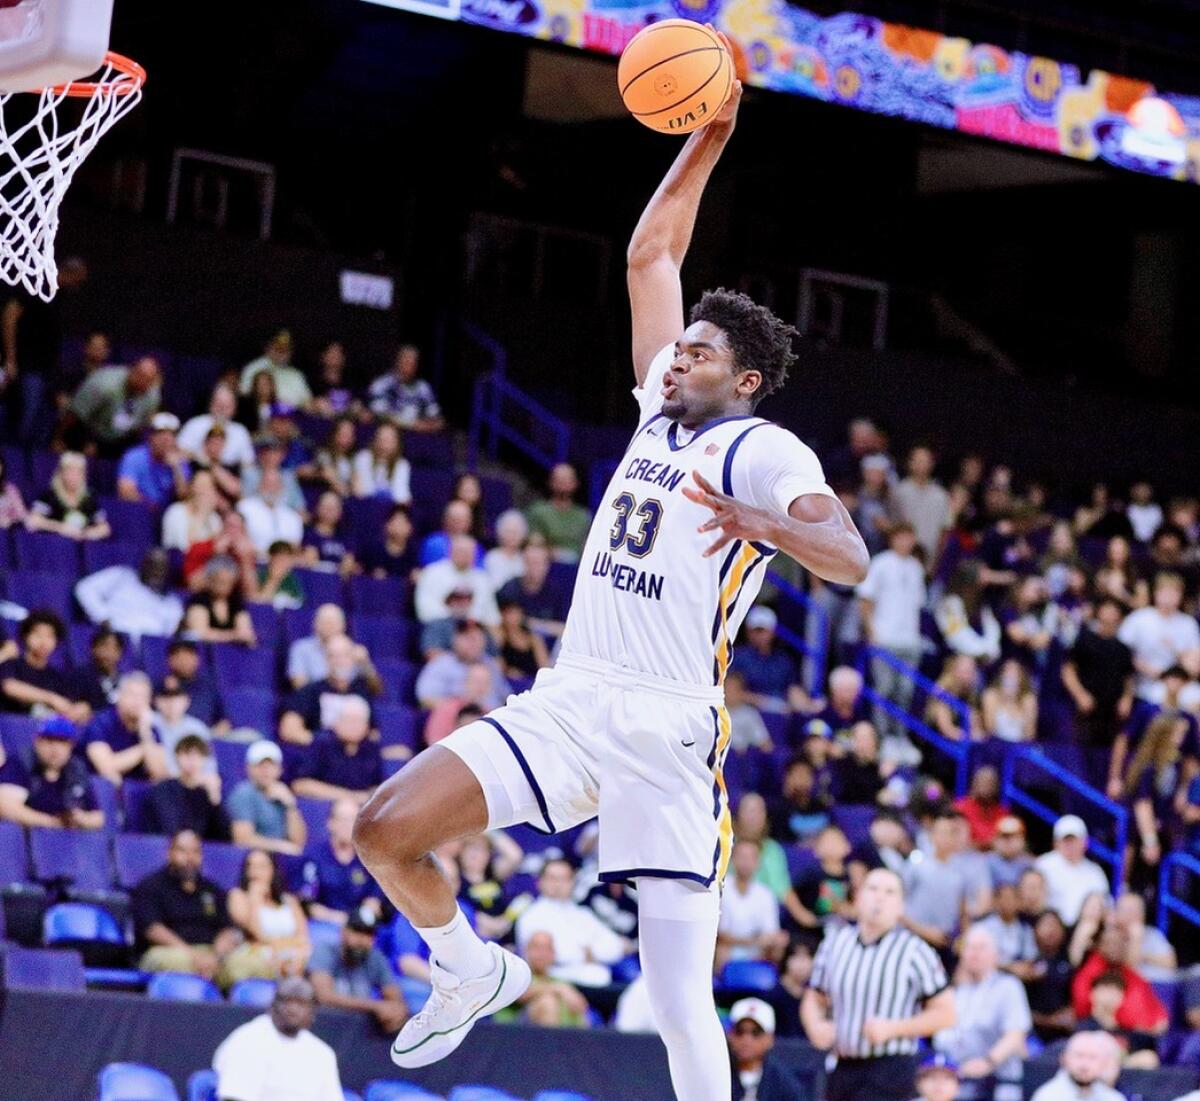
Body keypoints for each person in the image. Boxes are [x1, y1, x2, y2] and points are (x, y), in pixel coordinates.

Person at [353, 81, 871, 1101]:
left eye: (703, 352)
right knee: (381, 828)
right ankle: (466, 967)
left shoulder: (761, 448)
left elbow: (847, 554)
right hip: (575, 695)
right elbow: (651, 257)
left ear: (747, 380)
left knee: (678, 1001)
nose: (680, 355)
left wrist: (767, 526)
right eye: (682, 346)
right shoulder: (656, 416)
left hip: (670, 730)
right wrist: (707, 138)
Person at [801, 868, 956, 1101]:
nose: (879, 897)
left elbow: (946, 1014)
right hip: (842, 1065)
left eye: (890, 892)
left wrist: (894, 1028)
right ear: (859, 898)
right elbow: (814, 997)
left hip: (891, 1068)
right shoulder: (835, 943)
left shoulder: (915, 951)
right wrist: (815, 1025)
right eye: (872, 889)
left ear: (901, 907)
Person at [932, 925, 1031, 1101]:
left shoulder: (1008, 986)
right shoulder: (957, 991)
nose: (974, 954)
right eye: (969, 948)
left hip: (999, 1082)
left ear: (995, 955)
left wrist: (988, 1062)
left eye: (981, 948)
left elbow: (1015, 1034)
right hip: (959, 1081)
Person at [132, 828, 240, 982]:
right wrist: (193, 955)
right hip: (169, 951)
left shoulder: (212, 889)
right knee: (175, 962)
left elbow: (227, 929)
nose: (190, 858)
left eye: (195, 852)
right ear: (169, 853)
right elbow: (153, 929)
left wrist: (215, 956)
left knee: (246, 964)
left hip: (210, 954)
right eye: (183, 851)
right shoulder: (151, 886)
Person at [212, 977, 344, 1101]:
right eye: (286, 1001)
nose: (293, 1009)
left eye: (301, 1004)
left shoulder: (322, 1053)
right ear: (272, 1006)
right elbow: (233, 1098)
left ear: (312, 1013)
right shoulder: (248, 1041)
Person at [857, 521, 926, 744]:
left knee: (905, 691)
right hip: (885, 637)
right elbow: (866, 599)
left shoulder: (916, 567)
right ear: (892, 538)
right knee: (884, 690)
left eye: (909, 537)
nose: (905, 542)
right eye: (901, 536)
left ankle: (899, 735)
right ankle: (882, 736)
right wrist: (871, 632)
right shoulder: (880, 563)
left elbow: (919, 604)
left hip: (909, 640)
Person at [514, 858, 630, 988]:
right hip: (553, 981)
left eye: (564, 879)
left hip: (593, 979)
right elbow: (555, 957)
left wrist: (591, 953)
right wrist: (586, 953)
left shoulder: (582, 914)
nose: (558, 884)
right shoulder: (531, 915)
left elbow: (615, 946)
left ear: (572, 882)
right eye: (552, 878)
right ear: (540, 882)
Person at [308, 905, 408, 1033]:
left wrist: (396, 1012)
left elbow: (396, 999)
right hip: (324, 1026)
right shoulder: (325, 951)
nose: (362, 939)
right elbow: (324, 996)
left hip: (357, 1034)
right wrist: (376, 1006)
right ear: (343, 931)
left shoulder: (375, 958)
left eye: (368, 934)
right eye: (357, 931)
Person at [0, 715, 103, 829]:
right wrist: (52, 823)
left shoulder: (76, 770)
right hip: (25, 839)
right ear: (37, 741)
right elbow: (6, 807)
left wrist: (82, 819)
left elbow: (98, 818)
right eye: (49, 740)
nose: (55, 748)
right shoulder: (21, 763)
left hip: (68, 842)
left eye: (62, 742)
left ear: (71, 746)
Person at [226, 848, 312, 980]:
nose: (255, 872)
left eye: (261, 866)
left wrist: (286, 948)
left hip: (292, 953)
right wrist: (255, 898)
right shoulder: (238, 896)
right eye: (250, 866)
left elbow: (303, 936)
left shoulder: (289, 900)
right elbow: (255, 932)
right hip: (258, 955)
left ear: (273, 870)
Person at [1070, 923, 1168, 1036]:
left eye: (1119, 943)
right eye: (1109, 943)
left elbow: (1158, 1013)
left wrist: (1156, 1022)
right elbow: (1083, 1008)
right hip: (1099, 1032)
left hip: (1137, 1035)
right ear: (1099, 946)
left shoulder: (1131, 974)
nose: (1114, 947)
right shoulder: (1089, 973)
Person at [279, 635, 379, 745]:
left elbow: (374, 733)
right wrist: (321, 745)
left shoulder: (362, 692)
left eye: (345, 655)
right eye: (333, 656)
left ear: (353, 659)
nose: (340, 661)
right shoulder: (311, 691)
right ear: (325, 660)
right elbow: (289, 730)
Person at [302, 798, 384, 925]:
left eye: (353, 820)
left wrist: (367, 910)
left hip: (361, 926)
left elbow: (374, 900)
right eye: (343, 819)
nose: (347, 825)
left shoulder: (369, 857)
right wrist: (341, 919)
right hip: (325, 923)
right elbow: (308, 903)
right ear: (330, 823)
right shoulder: (314, 856)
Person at [1118, 572, 1200, 697]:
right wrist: (1147, 669)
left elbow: (1194, 664)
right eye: (1165, 592)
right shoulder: (1139, 618)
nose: (1169, 597)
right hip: (1144, 684)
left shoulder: (1188, 623)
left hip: (1180, 684)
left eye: (1175, 593)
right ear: (1155, 593)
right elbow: (1120, 652)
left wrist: (1176, 653)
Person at [291, 695, 383, 804]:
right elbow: (300, 785)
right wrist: (350, 797)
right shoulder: (320, 744)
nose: (353, 726)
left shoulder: (371, 749)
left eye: (358, 721)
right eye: (349, 720)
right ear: (336, 722)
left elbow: (380, 787)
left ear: (367, 727)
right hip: (324, 810)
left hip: (360, 813)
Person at [74, 547, 184, 638]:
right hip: (116, 640)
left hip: (150, 653)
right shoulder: (121, 576)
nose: (156, 572)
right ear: (143, 564)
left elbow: (169, 634)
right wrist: (102, 617)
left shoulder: (172, 602)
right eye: (153, 566)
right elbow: (84, 588)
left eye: (161, 569)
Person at [0, 610, 89, 722]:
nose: (43, 641)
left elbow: (68, 704)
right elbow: (10, 687)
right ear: (26, 636)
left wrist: (80, 709)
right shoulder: (12, 664)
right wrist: (50, 698)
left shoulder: (56, 677)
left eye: (49, 636)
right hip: (9, 727)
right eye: (38, 634)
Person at [82, 673, 168, 786]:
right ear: (119, 696)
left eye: (143, 697)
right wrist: (143, 749)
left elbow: (160, 774)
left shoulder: (148, 727)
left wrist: (145, 734)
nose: (138, 701)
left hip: (137, 789)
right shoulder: (101, 722)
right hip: (100, 788)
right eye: (132, 695)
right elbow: (106, 768)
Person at [65, 355, 161, 455]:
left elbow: (145, 425)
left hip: (122, 437)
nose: (143, 383)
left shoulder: (153, 395)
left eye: (148, 381)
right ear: (132, 372)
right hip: (90, 429)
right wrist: (58, 439)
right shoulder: (104, 384)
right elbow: (75, 413)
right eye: (141, 377)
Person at [903, 810, 971, 950]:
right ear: (932, 836)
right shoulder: (917, 864)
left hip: (944, 941)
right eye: (942, 832)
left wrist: (965, 938)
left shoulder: (961, 870)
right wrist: (922, 930)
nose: (946, 837)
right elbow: (898, 903)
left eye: (951, 833)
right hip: (912, 936)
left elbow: (963, 912)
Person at [226, 740, 307, 855]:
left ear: (279, 769)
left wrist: (290, 806)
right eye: (260, 765)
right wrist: (281, 847)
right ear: (249, 768)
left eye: (271, 765)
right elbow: (243, 839)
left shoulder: (283, 793)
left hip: (279, 859)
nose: (266, 771)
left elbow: (299, 842)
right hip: (254, 858)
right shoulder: (244, 794)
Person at [716, 839, 787, 970]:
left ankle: (770, 987)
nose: (746, 863)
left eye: (751, 858)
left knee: (778, 945)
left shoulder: (765, 894)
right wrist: (753, 941)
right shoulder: (720, 889)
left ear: (758, 862)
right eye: (742, 857)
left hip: (756, 951)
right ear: (732, 859)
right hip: (727, 949)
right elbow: (720, 935)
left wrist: (765, 941)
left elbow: (770, 934)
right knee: (721, 950)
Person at [145, 735, 228, 840]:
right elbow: (170, 827)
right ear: (177, 757)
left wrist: (215, 799)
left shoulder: (207, 792)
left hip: (201, 851)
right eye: (187, 754)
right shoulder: (164, 789)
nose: (192, 761)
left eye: (198, 756)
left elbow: (224, 837)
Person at [728, 997, 812, 1101]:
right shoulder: (720, 1073)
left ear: (770, 1038)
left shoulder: (783, 1081)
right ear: (730, 1035)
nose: (746, 1040)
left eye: (756, 1033)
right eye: (740, 1031)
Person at [1034, 816, 1111, 927]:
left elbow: (1106, 907)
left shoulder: (1095, 872)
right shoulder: (1043, 864)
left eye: (1074, 840)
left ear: (1085, 842)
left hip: (1082, 929)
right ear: (1056, 843)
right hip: (1048, 924)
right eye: (1066, 840)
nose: (1070, 845)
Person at [414, 620, 508, 710]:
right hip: (458, 720)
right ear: (455, 640)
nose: (472, 643)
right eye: (467, 638)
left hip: (493, 720)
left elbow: (505, 698)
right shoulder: (441, 663)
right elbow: (426, 699)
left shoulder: (491, 664)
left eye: (476, 638)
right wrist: (464, 708)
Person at [730, 605, 805, 714]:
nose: (759, 635)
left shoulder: (782, 659)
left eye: (763, 630)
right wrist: (764, 702)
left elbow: (792, 689)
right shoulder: (738, 656)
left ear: (772, 631)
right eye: (756, 630)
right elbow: (731, 692)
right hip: (749, 712)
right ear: (748, 631)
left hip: (781, 713)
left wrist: (807, 705)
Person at [1075, 972, 1160, 1069]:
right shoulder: (1084, 1028)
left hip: (1126, 1078)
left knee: (1148, 1058)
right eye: (1106, 988)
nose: (1111, 995)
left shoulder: (1128, 1032)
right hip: (1093, 1075)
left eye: (1117, 990)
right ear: (1092, 993)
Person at [510, 930, 591, 1028]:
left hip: (565, 1036)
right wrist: (558, 989)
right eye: (536, 948)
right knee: (547, 1002)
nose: (542, 954)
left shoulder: (562, 982)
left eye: (547, 949)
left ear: (554, 953)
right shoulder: (517, 974)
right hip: (515, 1034)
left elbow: (581, 1007)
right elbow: (520, 995)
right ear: (526, 950)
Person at [414, 535, 500, 626]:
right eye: (460, 551)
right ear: (450, 552)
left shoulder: (482, 579)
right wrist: (457, 620)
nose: (463, 555)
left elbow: (491, 614)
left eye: (468, 552)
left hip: (475, 627)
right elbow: (424, 610)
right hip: (440, 626)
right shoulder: (432, 572)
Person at [24, 451, 110, 540]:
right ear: (61, 473)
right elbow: (33, 520)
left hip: (82, 547)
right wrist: (60, 528)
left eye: (79, 472)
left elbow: (105, 528)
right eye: (70, 471)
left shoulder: (89, 498)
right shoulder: (50, 495)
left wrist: (86, 534)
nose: (74, 476)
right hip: (55, 546)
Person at [495, 541, 570, 638]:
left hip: (552, 644)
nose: (534, 568)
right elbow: (501, 623)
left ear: (547, 565)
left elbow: (565, 629)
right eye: (529, 562)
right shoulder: (510, 588)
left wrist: (533, 624)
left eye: (538, 563)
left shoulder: (557, 590)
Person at [894, 446, 952, 570]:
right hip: (901, 559)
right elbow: (893, 527)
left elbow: (945, 531)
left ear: (932, 464)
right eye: (918, 461)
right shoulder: (899, 492)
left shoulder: (941, 495)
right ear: (910, 463)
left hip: (930, 562)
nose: (922, 465)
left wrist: (937, 562)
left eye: (926, 461)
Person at [116, 412, 190, 506]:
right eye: (160, 433)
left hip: (166, 513)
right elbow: (125, 491)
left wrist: (177, 469)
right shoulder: (135, 456)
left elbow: (184, 498)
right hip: (139, 509)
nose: (165, 439)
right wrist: (150, 507)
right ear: (151, 437)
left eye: (171, 434)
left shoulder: (179, 460)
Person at [366, 343, 444, 431]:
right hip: (389, 434)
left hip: (418, 436)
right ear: (397, 362)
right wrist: (411, 424)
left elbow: (436, 416)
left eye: (413, 362)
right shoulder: (382, 384)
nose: (410, 365)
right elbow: (380, 414)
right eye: (406, 361)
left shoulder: (423, 387)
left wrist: (433, 424)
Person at [524, 462, 591, 564]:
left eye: (567, 479)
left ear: (575, 483)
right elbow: (535, 542)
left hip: (578, 566)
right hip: (547, 564)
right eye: (559, 479)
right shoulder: (538, 511)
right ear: (550, 482)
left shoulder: (583, 516)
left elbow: (587, 546)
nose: (563, 483)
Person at [179, 382, 256, 469]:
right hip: (198, 470)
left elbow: (248, 462)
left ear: (234, 408)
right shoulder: (195, 424)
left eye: (227, 406)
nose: (222, 409)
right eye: (219, 404)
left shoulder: (240, 431)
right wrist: (203, 460)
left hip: (230, 473)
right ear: (211, 404)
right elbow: (180, 451)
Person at [1028, 1032, 1124, 1101]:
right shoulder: (1048, 1096)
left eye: (1092, 1057)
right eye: (1079, 1055)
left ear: (1104, 1063)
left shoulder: (1112, 1097)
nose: (1084, 1065)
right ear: (1064, 1059)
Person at [185, 554, 256, 644]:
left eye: (228, 582)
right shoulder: (198, 601)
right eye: (221, 581)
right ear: (210, 579)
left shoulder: (236, 603)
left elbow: (245, 633)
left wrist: (242, 637)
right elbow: (200, 633)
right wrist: (233, 636)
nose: (224, 586)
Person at [237, 466, 304, 556]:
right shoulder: (244, 507)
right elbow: (239, 538)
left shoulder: (292, 516)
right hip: (254, 560)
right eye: (267, 484)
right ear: (259, 485)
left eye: (275, 484)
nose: (271, 489)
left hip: (283, 563)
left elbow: (295, 546)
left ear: (282, 488)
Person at [237, 330, 312, 408]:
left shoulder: (296, 375)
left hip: (292, 416)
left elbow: (308, 402)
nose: (282, 352)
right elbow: (243, 396)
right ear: (268, 348)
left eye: (286, 349)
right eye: (278, 348)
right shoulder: (253, 368)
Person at [287, 605, 354, 690]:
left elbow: (371, 689)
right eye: (325, 622)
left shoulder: (351, 648)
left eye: (333, 623)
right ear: (315, 624)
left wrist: (365, 664)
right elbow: (299, 685)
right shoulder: (301, 648)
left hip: (348, 700)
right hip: (314, 700)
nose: (329, 627)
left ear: (343, 626)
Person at [974, 883, 1037, 970]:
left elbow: (1030, 959)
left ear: (1019, 902)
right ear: (995, 902)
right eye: (1003, 898)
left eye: (1012, 898)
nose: (1007, 902)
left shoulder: (1025, 929)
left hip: (1017, 978)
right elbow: (978, 958)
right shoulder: (982, 927)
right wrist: (1009, 968)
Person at [161, 468, 223, 553]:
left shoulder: (214, 519)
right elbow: (185, 548)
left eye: (208, 487)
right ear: (191, 488)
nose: (203, 492)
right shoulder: (176, 512)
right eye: (201, 486)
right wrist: (201, 516)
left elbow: (218, 551)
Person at [352, 421, 411, 504]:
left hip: (392, 509)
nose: (385, 442)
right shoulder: (363, 457)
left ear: (397, 443)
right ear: (375, 440)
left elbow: (402, 495)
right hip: (366, 506)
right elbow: (360, 492)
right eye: (382, 438)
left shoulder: (402, 464)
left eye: (390, 438)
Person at [301, 490, 358, 573]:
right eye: (326, 507)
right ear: (318, 508)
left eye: (334, 507)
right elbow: (310, 562)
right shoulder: (310, 535)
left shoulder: (346, 537)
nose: (330, 511)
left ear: (340, 511)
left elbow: (349, 564)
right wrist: (337, 568)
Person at [71, 626, 124, 713]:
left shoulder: (125, 680)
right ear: (94, 649)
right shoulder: (81, 676)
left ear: (120, 652)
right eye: (104, 646)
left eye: (114, 648)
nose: (109, 653)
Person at [360, 502, 417, 580]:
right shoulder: (373, 551)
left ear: (410, 528)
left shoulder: (414, 553)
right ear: (387, 525)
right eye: (396, 521)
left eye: (403, 522)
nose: (399, 527)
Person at [484, 508, 529, 591]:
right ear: (500, 533)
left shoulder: (525, 558)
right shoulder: (492, 557)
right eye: (508, 532)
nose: (512, 536)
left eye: (516, 532)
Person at [988, 816, 1034, 888]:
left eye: (1013, 837)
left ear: (1022, 840)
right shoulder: (986, 863)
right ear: (995, 840)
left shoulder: (1029, 863)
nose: (1009, 841)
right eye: (1004, 837)